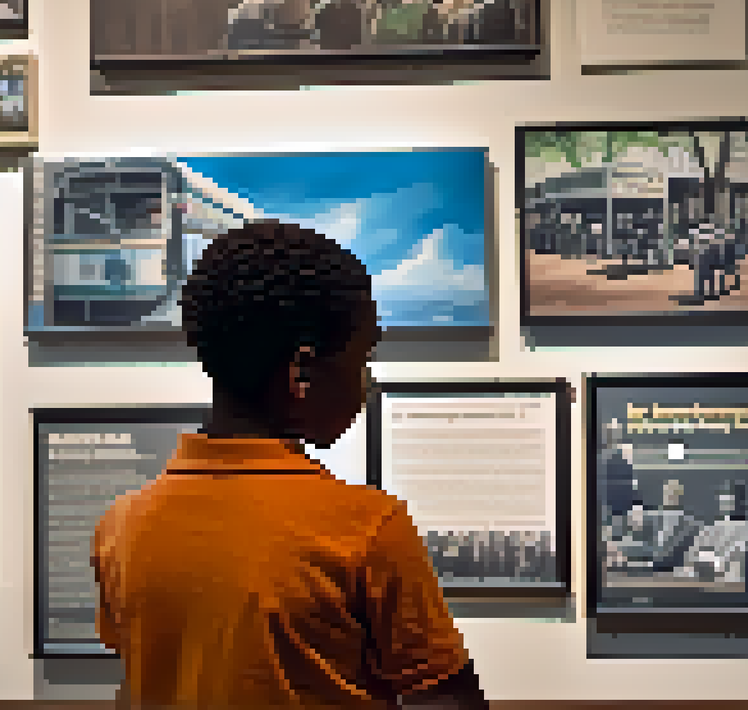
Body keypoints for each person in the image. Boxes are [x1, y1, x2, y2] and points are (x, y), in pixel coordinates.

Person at [90, 220, 488, 708]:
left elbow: (136, 686)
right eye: (362, 359)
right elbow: (447, 699)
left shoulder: (121, 527)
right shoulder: (368, 527)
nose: (366, 382)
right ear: (302, 371)